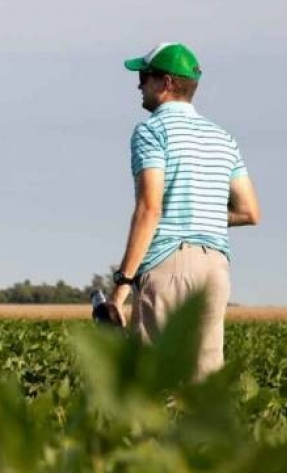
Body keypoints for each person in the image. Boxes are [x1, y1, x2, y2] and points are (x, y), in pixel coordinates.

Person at [108, 42, 260, 381]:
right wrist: (199, 212)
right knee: (202, 388)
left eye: (144, 77)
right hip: (215, 269)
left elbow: (150, 209)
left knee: (153, 385)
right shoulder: (223, 138)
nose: (138, 85)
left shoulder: (151, 131)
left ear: (165, 83)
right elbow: (249, 211)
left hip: (168, 266)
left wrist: (120, 289)